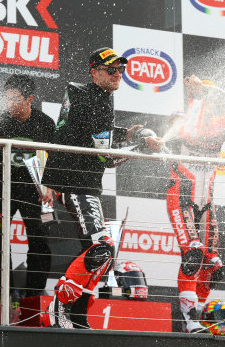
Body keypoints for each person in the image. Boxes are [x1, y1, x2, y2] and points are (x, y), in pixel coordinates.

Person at [40, 47, 164, 329]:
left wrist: (129, 134)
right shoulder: (91, 98)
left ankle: (79, 314)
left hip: (84, 182)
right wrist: (142, 147)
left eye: (121, 69)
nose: (118, 74)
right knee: (102, 248)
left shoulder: (95, 96)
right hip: (75, 182)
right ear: (94, 71)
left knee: (101, 256)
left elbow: (97, 137)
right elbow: (106, 157)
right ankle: (60, 306)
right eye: (111, 69)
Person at [165, 74, 225, 333]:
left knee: (212, 264)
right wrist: (198, 99)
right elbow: (189, 132)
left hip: (206, 204)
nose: (213, 104)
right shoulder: (182, 115)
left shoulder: (221, 125)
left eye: (214, 98)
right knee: (192, 255)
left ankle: (198, 316)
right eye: (208, 98)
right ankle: (189, 321)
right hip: (181, 198)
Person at [0, 74, 55, 297]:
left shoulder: (45, 123)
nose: (10, 104)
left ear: (30, 99)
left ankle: (33, 296)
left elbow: (54, 161)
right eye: (7, 99)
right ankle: (5, 292)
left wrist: (50, 188)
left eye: (15, 99)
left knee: (40, 242)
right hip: (1, 189)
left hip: (35, 193)